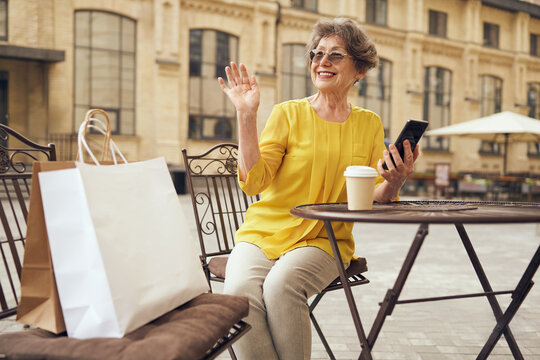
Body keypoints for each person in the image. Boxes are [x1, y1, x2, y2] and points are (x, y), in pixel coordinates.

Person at [217, 17, 419, 360]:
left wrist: (395, 181)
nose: (321, 62)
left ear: (360, 69)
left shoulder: (369, 123)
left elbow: (370, 196)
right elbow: (254, 181)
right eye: (317, 54)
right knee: (238, 294)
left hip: (327, 238)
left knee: (282, 287)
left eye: (335, 55)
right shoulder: (287, 114)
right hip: (264, 232)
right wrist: (246, 115)